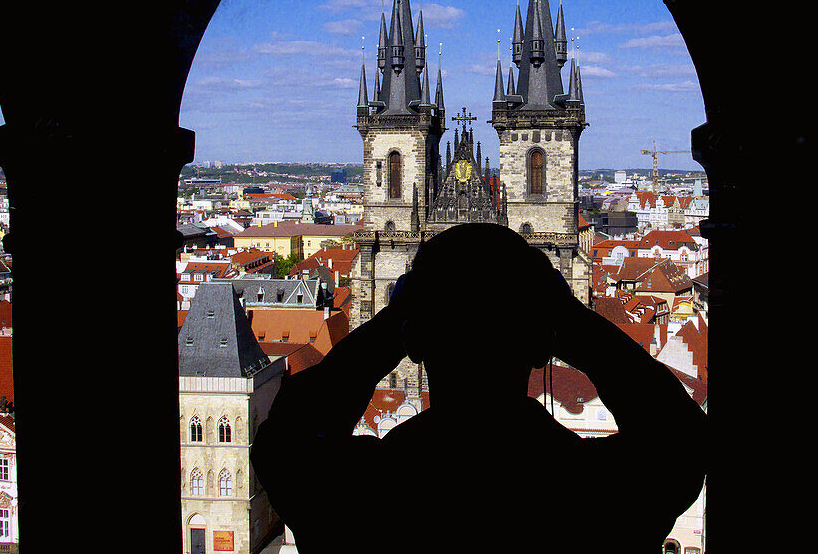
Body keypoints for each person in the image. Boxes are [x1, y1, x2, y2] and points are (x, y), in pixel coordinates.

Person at [252, 223, 707, 552]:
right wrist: (569, 320)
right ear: (540, 343)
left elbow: (281, 445)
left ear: (418, 340)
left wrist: (394, 325)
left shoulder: (371, 490)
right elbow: (683, 441)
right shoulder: (589, 489)